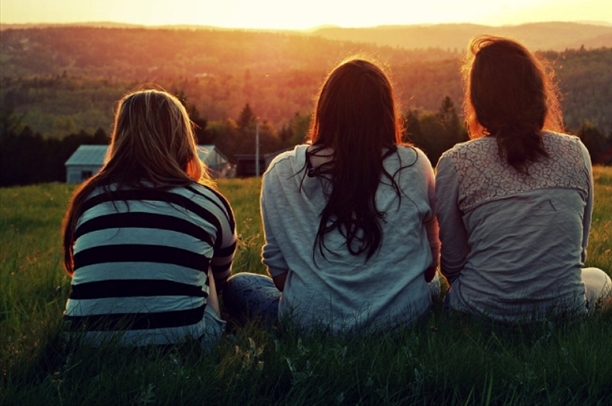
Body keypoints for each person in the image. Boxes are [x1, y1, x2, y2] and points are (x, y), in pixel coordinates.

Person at [222, 58, 440, 333]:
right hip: (401, 321)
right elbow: (431, 267)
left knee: (239, 285)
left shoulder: (281, 172)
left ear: (324, 111)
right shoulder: (415, 164)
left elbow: (280, 277)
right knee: (429, 284)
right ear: (385, 114)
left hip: (311, 324)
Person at [434, 36, 612, 321]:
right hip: (564, 311)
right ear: (536, 92)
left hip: (476, 312)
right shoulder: (576, 152)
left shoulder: (455, 162)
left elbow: (452, 264)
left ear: (478, 101)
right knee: (600, 280)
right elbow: (577, 253)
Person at [61, 89, 237, 348]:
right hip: (183, 346)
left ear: (120, 137)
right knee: (206, 265)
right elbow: (221, 281)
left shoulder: (89, 199)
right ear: (182, 138)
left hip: (83, 346)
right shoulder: (208, 201)